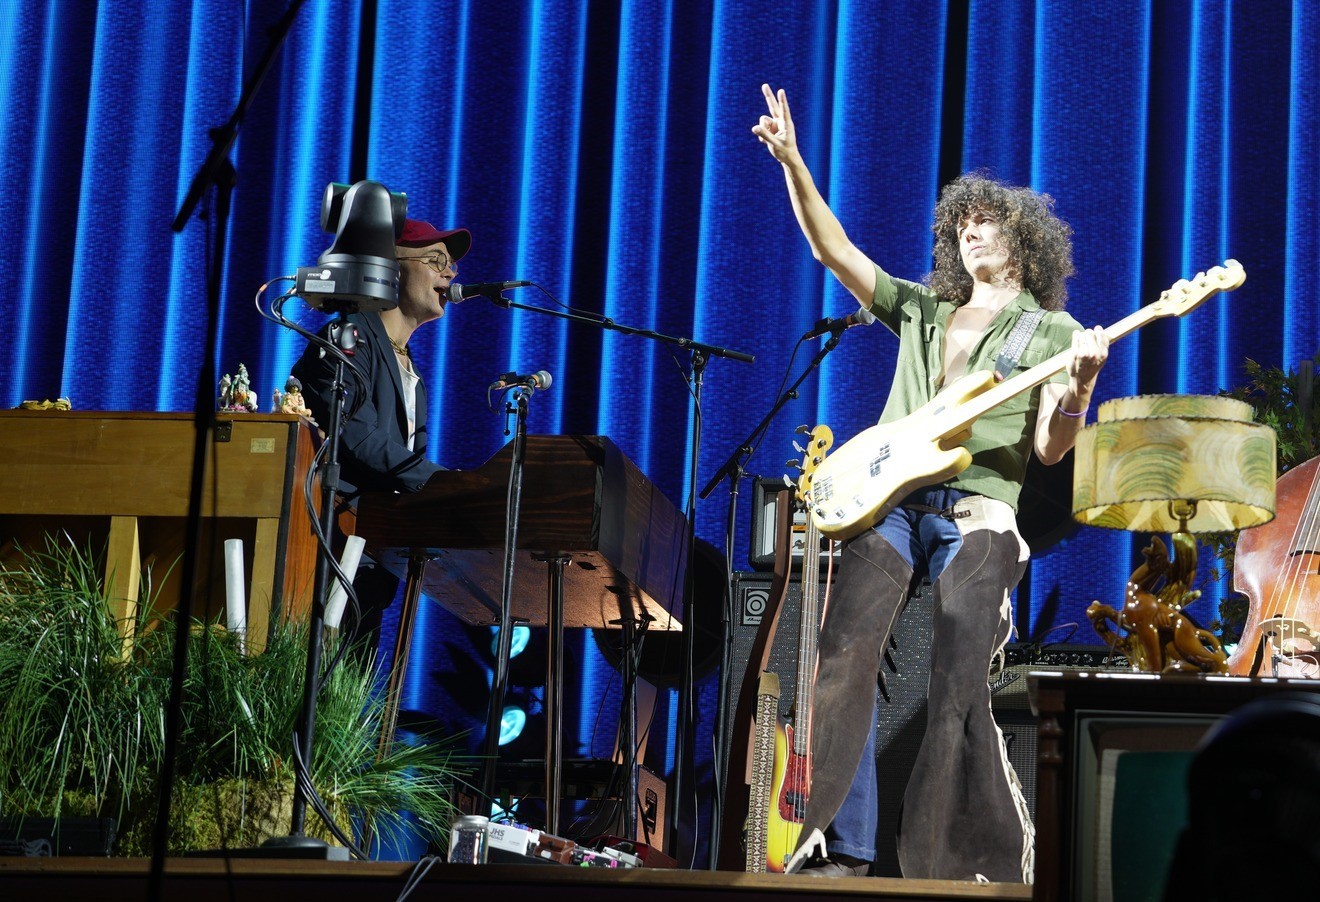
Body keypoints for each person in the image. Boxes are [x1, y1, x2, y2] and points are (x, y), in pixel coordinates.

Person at [752, 83, 1108, 882]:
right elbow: (835, 251)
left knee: (958, 678)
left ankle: (953, 866)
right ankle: (835, 847)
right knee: (843, 656)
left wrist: (1080, 386)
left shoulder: (1050, 331)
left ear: (1024, 238)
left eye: (987, 221)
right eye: (961, 224)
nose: (971, 231)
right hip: (893, 503)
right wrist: (794, 163)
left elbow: (1051, 450)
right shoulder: (923, 310)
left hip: (982, 512)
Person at [293, 218, 471, 657]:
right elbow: (355, 433)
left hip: (375, 561)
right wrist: (445, 484)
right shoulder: (347, 337)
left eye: (451, 266)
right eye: (436, 260)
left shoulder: (413, 373)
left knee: (351, 691)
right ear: (391, 266)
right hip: (326, 548)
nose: (450, 274)